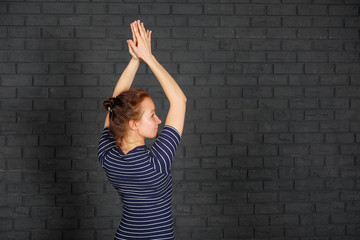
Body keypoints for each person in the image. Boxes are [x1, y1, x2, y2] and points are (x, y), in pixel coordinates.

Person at [97, 20, 186, 240]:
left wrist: (134, 60)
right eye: (152, 115)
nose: (159, 119)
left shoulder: (106, 155)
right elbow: (179, 100)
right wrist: (148, 57)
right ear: (133, 124)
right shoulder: (156, 162)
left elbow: (114, 105)